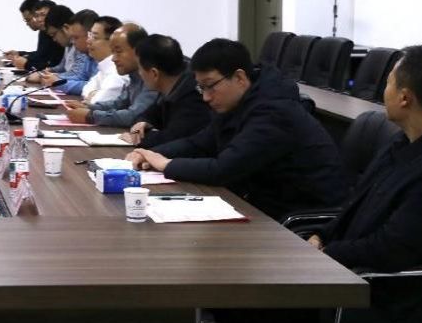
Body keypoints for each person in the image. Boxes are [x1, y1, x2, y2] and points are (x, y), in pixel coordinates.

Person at [209, 44, 422, 323]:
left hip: (385, 296)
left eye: (388, 83)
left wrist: (327, 253)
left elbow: (394, 249)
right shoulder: (405, 143)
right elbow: (354, 206)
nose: (384, 91)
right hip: (350, 274)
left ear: (405, 98)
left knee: (244, 304)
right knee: (239, 288)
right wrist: (323, 235)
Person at [129, 38, 348, 220]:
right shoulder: (237, 102)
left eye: (210, 86)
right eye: (201, 88)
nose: (205, 97)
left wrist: (166, 164)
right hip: (263, 203)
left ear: (240, 77)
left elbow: (223, 169)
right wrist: (150, 153)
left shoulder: (274, 112)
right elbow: (199, 143)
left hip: (300, 217)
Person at [123, 34, 211, 147]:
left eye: (140, 69)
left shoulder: (193, 97)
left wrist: (139, 138)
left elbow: (172, 139)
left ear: (154, 74)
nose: (139, 74)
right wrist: (142, 123)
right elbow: (149, 114)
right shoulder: (171, 88)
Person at [66, 23, 158, 126]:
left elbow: (134, 116)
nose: (113, 59)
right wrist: (89, 107)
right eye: (113, 52)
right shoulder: (134, 76)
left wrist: (91, 116)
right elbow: (118, 104)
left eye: (118, 51)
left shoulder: (152, 77)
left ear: (139, 51)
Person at [59, 15, 123, 107]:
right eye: (90, 36)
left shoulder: (118, 72)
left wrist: (93, 97)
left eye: (95, 37)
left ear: (112, 42)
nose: (88, 41)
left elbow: (98, 102)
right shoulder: (103, 68)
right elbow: (86, 89)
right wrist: (93, 93)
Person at [34, 7, 98, 96]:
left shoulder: (103, 58)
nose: (73, 41)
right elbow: (81, 76)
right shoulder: (89, 56)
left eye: (76, 38)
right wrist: (50, 75)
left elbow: (93, 87)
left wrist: (57, 82)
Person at [4, 0, 64, 71]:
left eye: (28, 20)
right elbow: (41, 55)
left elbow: (53, 63)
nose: (39, 20)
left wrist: (26, 64)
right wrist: (20, 54)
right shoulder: (43, 32)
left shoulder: (60, 33)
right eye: (38, 16)